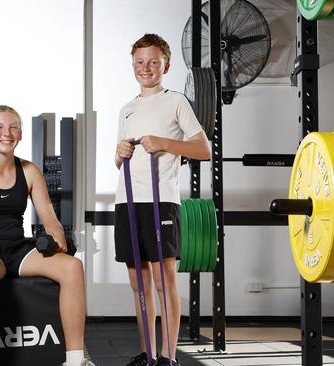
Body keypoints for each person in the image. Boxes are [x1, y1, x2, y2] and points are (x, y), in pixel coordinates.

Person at [0, 105, 95, 366]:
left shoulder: (29, 171)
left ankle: (75, 360)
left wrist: (57, 234)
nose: (7, 133)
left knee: (73, 266)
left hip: (17, 250)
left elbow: (49, 218)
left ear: (20, 133)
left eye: (13, 126)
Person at [114, 34, 211, 366]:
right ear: (133, 65)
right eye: (140, 62)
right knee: (137, 281)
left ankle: (169, 358)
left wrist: (165, 143)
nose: (146, 68)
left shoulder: (176, 101)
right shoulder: (126, 110)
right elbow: (121, 161)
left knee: (161, 278)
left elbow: (203, 149)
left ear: (165, 65)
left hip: (161, 202)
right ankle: (149, 355)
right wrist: (119, 153)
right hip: (126, 202)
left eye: (153, 62)